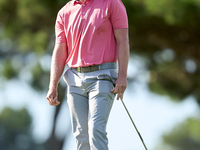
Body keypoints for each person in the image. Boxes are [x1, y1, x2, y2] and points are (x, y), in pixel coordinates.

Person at [46, 0, 129, 149]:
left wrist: (122, 76)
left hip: (103, 76)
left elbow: (123, 41)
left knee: (96, 130)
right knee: (80, 134)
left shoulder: (112, 3)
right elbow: (59, 52)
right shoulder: (64, 12)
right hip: (75, 79)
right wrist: (53, 85)